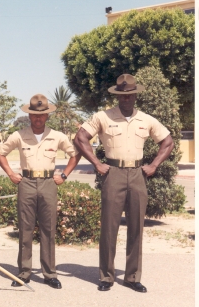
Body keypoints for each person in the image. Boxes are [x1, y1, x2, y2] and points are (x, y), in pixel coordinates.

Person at [74, 74, 174, 293]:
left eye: (130, 94)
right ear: (117, 95)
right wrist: (97, 163)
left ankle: (132, 276)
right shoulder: (103, 117)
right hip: (113, 172)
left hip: (138, 173)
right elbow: (80, 138)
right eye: (122, 95)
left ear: (136, 94)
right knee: (109, 227)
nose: (126, 98)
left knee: (136, 226)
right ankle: (107, 277)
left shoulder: (146, 120)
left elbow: (167, 141)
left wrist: (154, 165)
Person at [0, 94, 80, 289]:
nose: (38, 118)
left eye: (42, 115)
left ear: (47, 116)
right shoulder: (19, 135)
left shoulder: (57, 136)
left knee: (48, 229)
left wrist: (64, 175)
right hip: (26, 182)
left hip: (49, 183)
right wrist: (10, 173)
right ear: (29, 116)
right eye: (34, 115)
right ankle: (24, 273)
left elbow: (74, 154)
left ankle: (49, 274)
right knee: (25, 229)